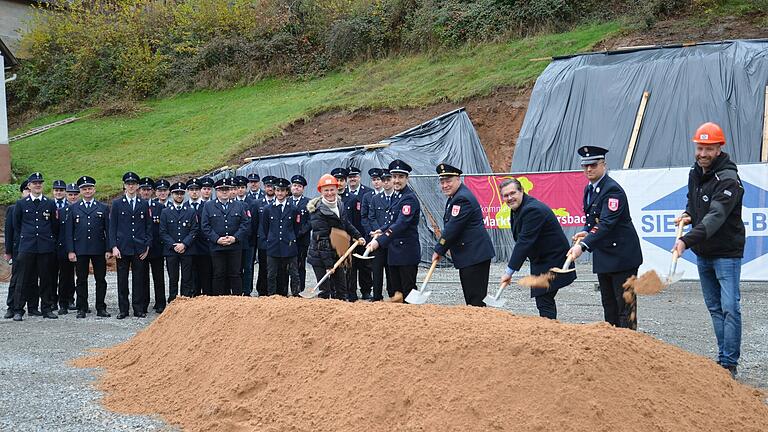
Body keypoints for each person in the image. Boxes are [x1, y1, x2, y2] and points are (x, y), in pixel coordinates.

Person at [673, 122, 745, 378]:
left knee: (729, 307)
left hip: (726, 253)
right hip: (704, 253)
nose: (702, 154)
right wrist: (687, 214)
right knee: (715, 308)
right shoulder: (696, 171)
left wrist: (685, 241)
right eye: (699, 148)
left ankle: (729, 364)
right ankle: (722, 357)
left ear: (719, 149)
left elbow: (715, 217)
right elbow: (694, 203)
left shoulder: (728, 179)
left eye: (708, 149)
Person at [568, 146, 642, 329]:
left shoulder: (612, 191)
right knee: (609, 306)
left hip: (622, 256)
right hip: (604, 255)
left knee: (625, 308)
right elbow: (593, 219)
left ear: (604, 165)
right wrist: (586, 230)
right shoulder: (590, 189)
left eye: (593, 165)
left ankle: (630, 347)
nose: (588, 170)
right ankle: (613, 348)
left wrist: (583, 245)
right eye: (585, 166)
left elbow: (607, 223)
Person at [499, 178, 576, 318]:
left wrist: (509, 272)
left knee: (544, 300)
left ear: (521, 191)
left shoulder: (532, 210)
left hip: (553, 261)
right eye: (505, 195)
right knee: (544, 300)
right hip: (541, 260)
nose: (510, 198)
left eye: (513, 193)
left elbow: (524, 242)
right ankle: (549, 330)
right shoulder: (518, 208)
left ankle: (550, 332)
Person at [432, 163, 495, 307]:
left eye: (448, 181)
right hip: (470, 255)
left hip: (475, 255)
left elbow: (453, 228)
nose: (445, 185)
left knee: (475, 299)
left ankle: (479, 327)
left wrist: (439, 249)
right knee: (472, 298)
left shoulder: (462, 199)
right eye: (442, 182)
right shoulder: (456, 196)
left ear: (458, 179)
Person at [368, 160, 420, 303]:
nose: (396, 181)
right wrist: (381, 230)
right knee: (395, 293)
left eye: (400, 177)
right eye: (394, 177)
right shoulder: (397, 196)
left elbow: (401, 224)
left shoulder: (408, 198)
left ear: (406, 178)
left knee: (407, 294)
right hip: (394, 252)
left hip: (406, 253)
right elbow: (392, 221)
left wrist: (380, 241)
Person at [11, 173, 60, 321]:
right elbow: (17, 225)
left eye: (40, 183)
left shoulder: (50, 203)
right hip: (27, 246)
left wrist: (49, 240)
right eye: (35, 183)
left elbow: (54, 225)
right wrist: (27, 237)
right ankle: (18, 309)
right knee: (23, 279)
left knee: (46, 279)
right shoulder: (21, 204)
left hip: (45, 247)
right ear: (29, 186)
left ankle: (46, 308)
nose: (38, 185)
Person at [307, 174, 365, 300]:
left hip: (336, 253)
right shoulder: (317, 212)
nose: (329, 193)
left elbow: (346, 223)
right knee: (325, 290)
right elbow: (322, 240)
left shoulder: (340, 204)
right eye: (326, 190)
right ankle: (323, 316)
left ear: (336, 189)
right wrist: (328, 265)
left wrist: (357, 235)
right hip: (320, 255)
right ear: (320, 191)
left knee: (341, 288)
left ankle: (340, 317)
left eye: (332, 189)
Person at [66, 176, 111, 318]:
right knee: (81, 280)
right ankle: (82, 307)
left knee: (101, 279)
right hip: (80, 249)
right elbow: (69, 231)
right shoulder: (73, 208)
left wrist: (109, 249)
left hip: (98, 248)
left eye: (89, 188)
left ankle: (101, 307)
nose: (87, 191)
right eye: (84, 189)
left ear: (94, 190)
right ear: (80, 191)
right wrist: (71, 250)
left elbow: (108, 230)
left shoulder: (103, 208)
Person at [109, 171, 152, 319]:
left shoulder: (143, 204)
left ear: (138, 186)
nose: (131, 186)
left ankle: (138, 308)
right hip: (122, 248)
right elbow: (112, 227)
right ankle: (123, 309)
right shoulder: (117, 204)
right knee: (122, 280)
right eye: (128, 184)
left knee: (139, 280)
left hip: (139, 248)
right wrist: (113, 246)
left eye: (133, 184)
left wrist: (147, 246)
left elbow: (148, 227)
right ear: (124, 186)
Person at [201, 177, 249, 295]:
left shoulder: (239, 205)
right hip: (217, 247)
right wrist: (217, 239)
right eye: (221, 189)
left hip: (235, 246)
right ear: (216, 191)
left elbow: (245, 223)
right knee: (218, 274)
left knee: (235, 274)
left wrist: (235, 238)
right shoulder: (209, 206)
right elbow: (205, 226)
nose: (224, 192)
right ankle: (219, 302)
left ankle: (237, 301)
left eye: (226, 189)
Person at [260, 178, 301, 296]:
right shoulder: (268, 209)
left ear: (287, 192)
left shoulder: (293, 208)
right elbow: (266, 227)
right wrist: (272, 238)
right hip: (273, 245)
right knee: (271, 274)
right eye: (277, 190)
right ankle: (271, 296)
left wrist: (290, 237)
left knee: (294, 273)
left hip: (289, 245)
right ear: (274, 191)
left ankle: (295, 295)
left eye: (282, 190)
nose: (280, 193)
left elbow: (296, 227)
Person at [160, 182, 199, 301]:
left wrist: (184, 244)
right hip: (171, 251)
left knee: (187, 278)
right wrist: (173, 245)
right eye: (176, 193)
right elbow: (162, 232)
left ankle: (185, 300)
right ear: (172, 194)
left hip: (187, 249)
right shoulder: (165, 212)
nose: (179, 195)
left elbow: (194, 230)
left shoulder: (191, 211)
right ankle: (172, 300)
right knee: (173, 278)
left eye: (181, 193)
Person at [343, 166, 373, 301]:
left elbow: (367, 216)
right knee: (350, 266)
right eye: (350, 177)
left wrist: (364, 235)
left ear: (359, 177)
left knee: (364, 266)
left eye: (355, 176)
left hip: (362, 235)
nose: (352, 179)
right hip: (347, 237)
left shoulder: (368, 193)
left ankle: (366, 290)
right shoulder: (341, 194)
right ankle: (351, 292)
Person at [365, 169, 394, 301]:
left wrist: (385, 233)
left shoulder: (397, 198)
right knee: (376, 269)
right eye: (384, 181)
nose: (386, 183)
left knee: (391, 270)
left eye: (388, 180)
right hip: (377, 241)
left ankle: (393, 294)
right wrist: (378, 232)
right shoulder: (376, 199)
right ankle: (377, 296)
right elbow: (371, 217)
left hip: (392, 240)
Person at [140, 177, 166, 314]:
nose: (146, 192)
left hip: (157, 247)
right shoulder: (136, 206)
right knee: (143, 278)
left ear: (152, 191)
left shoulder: (160, 207)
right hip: (141, 249)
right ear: (140, 191)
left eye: (148, 189)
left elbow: (164, 228)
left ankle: (160, 303)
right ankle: (143, 304)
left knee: (159, 277)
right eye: (143, 189)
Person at [3, 181, 29, 319]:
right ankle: (11, 306)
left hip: (33, 248)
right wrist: (8, 251)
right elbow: (9, 231)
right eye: (26, 189)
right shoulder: (14, 208)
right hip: (18, 248)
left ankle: (32, 306)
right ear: (22, 191)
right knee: (16, 279)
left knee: (32, 279)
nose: (28, 191)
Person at [185, 178, 212, 296]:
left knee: (206, 276)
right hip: (189, 247)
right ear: (187, 191)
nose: (194, 192)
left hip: (204, 247)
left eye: (196, 189)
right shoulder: (184, 206)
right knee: (191, 277)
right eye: (191, 189)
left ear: (200, 191)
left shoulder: (208, 206)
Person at [290, 175, 311, 294]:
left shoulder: (308, 202)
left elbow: (310, 221)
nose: (296, 188)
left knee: (300, 265)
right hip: (288, 239)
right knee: (288, 265)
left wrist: (299, 232)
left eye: (299, 186)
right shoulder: (286, 201)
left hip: (302, 240)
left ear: (303, 189)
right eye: (295, 185)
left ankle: (299, 290)